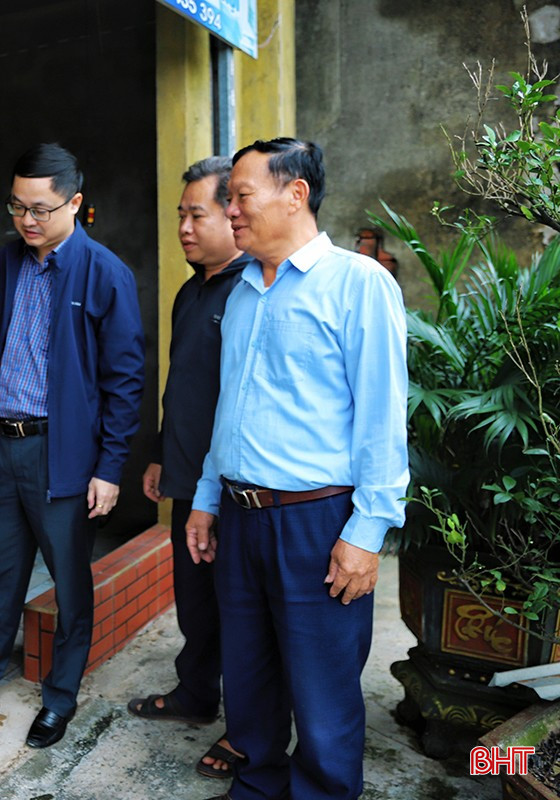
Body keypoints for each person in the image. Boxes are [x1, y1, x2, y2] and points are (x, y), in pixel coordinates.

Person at [186, 138, 408, 800]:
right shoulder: (246, 291)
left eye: (241, 197)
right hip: (241, 514)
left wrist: (367, 531)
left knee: (322, 685)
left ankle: (323, 792)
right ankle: (256, 785)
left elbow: (381, 416)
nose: (231, 212)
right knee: (248, 675)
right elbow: (230, 408)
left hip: (316, 519)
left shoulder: (358, 283)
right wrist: (205, 496)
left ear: (297, 194)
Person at [0, 142, 145, 749]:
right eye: (17, 207)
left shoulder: (105, 274)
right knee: (0, 576)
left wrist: (109, 468)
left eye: (41, 209)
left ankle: (60, 697)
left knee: (69, 584)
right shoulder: (6, 264)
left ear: (75, 203)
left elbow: (126, 381)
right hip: (5, 449)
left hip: (62, 456)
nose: (28, 220)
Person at [126, 156, 251, 781]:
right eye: (181, 215)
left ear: (234, 214)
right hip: (187, 480)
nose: (184, 227)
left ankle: (249, 730)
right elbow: (185, 388)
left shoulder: (253, 291)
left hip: (237, 489)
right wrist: (158, 452)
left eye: (196, 214)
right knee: (196, 605)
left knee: (243, 614)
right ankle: (195, 694)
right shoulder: (191, 290)